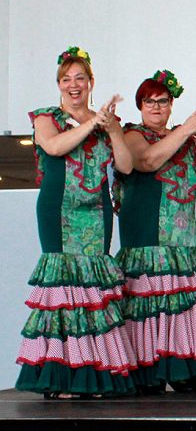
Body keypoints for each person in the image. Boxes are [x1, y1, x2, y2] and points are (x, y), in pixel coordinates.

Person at [16, 47, 137, 397]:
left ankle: (95, 373)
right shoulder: (45, 117)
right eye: (66, 79)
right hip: (59, 209)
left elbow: (126, 167)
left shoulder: (104, 122)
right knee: (63, 289)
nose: (74, 85)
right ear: (58, 85)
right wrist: (90, 124)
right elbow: (53, 147)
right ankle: (62, 376)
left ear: (91, 83)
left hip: (95, 212)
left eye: (80, 78)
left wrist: (111, 129)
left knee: (92, 288)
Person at [116, 70, 196, 392]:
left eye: (162, 101)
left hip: (182, 240)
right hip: (147, 235)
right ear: (140, 105)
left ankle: (184, 367)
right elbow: (147, 162)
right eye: (149, 102)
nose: (155, 107)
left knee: (181, 302)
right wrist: (185, 131)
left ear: (171, 104)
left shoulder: (183, 135)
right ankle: (147, 371)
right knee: (147, 301)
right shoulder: (133, 134)